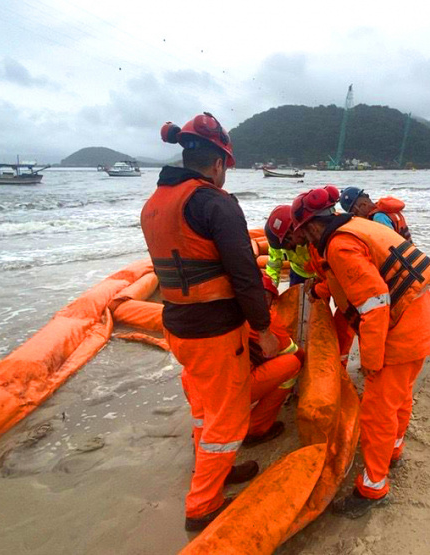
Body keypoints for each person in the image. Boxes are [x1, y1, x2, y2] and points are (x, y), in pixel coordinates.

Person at [140, 112, 281, 532]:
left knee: (204, 408)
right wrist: (264, 329)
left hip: (178, 324)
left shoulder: (155, 203)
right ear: (219, 162)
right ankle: (203, 503)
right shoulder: (215, 202)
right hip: (216, 329)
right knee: (227, 416)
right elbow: (243, 273)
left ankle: (214, 469)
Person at [291, 187, 430, 518]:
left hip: (400, 333)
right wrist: (320, 289)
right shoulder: (355, 228)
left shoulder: (339, 245)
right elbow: (352, 276)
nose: (301, 243)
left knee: (376, 412)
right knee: (399, 398)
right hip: (420, 322)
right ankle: (395, 449)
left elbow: (375, 303)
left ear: (309, 226)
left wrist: (371, 362)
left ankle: (373, 488)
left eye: (300, 235)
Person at [245, 273, 302, 441]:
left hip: (199, 387)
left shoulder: (223, 312)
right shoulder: (266, 319)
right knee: (292, 364)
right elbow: (292, 351)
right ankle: (257, 428)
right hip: (233, 388)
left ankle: (205, 429)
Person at [264, 205, 316, 287]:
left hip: (319, 274)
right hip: (297, 273)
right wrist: (271, 286)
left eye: (286, 244)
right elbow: (273, 265)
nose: (286, 248)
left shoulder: (311, 236)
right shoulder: (277, 243)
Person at [339, 187, 412, 242]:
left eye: (356, 213)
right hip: (411, 253)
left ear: (362, 205)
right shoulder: (385, 210)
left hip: (403, 258)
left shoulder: (378, 217)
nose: (358, 217)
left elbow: (389, 242)